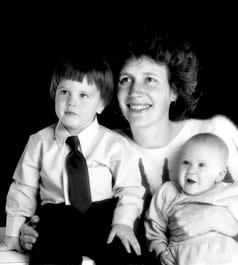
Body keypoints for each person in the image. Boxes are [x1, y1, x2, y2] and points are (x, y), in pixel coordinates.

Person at [19, 32, 238, 264]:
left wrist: (222, 220)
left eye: (150, 79)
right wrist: (31, 230)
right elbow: (70, 207)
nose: (135, 91)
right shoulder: (104, 145)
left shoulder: (212, 134)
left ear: (173, 91)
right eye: (126, 80)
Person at [0, 57, 145, 265]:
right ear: (54, 94)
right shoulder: (38, 141)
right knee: (46, 257)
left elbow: (130, 188)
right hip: (57, 219)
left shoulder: (115, 144)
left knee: (128, 255)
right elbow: (23, 188)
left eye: (84, 95)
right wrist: (13, 234)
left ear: (101, 104)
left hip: (101, 217)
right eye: (64, 92)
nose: (72, 102)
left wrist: (124, 223)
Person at [145, 133, 238, 265]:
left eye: (201, 165)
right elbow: (154, 225)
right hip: (186, 256)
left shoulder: (227, 192)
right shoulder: (168, 192)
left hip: (230, 256)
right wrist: (160, 250)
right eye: (186, 162)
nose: (191, 170)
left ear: (219, 175)